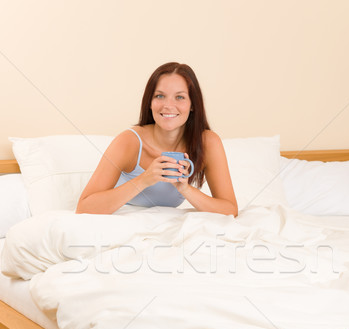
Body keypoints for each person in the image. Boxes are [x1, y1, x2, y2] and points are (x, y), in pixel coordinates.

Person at [76, 62, 238, 216]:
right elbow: (84, 207)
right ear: (150, 103)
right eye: (160, 96)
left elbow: (230, 209)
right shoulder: (129, 141)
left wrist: (185, 189)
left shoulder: (208, 142)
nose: (168, 105)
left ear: (192, 104)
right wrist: (144, 180)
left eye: (179, 97)